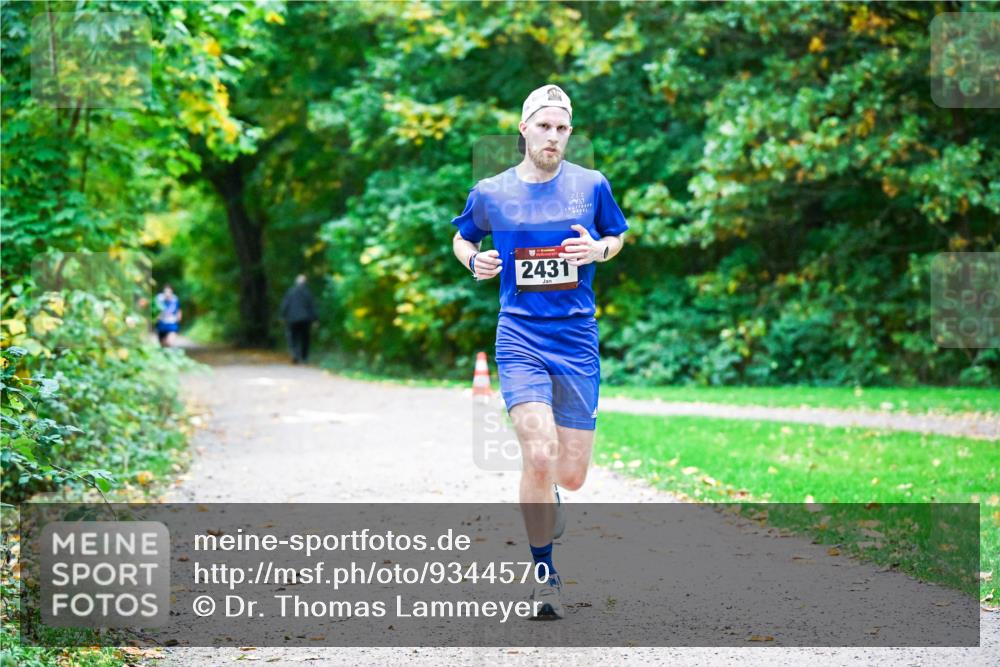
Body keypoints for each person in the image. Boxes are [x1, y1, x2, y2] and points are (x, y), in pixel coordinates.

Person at [450, 84, 628, 619]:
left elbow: (616, 236)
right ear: (524, 129)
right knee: (539, 453)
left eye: (562, 128)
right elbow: (463, 237)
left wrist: (598, 249)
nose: (553, 136)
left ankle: (551, 494)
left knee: (570, 475)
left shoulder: (591, 185)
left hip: (576, 337)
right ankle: (545, 575)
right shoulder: (491, 192)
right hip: (519, 335)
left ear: (569, 133)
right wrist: (474, 260)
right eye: (544, 126)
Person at [280, 274, 317, 364]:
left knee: (293, 337)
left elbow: (285, 304)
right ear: (305, 283)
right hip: (305, 319)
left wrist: (282, 316)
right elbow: (312, 307)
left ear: (296, 282)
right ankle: (304, 357)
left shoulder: (290, 292)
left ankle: (295, 354)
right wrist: (315, 319)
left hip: (292, 319)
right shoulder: (308, 292)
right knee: (305, 338)